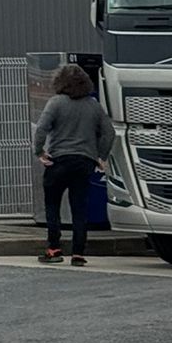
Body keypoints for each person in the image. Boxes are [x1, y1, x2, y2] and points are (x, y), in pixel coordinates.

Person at [32, 64, 114, 265]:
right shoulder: (93, 105)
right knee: (79, 208)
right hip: (84, 162)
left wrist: (39, 152)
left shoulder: (56, 103)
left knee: (53, 206)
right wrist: (100, 156)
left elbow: (41, 129)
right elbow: (109, 132)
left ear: (59, 82)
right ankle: (78, 253)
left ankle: (54, 249)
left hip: (58, 161)